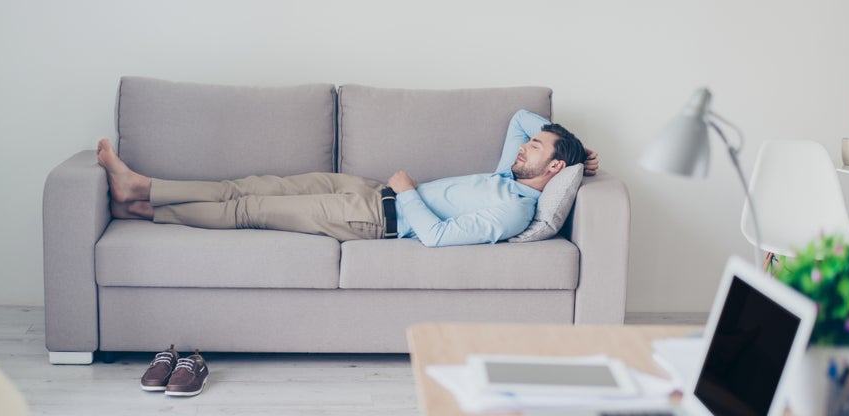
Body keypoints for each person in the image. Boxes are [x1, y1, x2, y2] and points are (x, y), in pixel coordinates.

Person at [99, 110, 597, 247]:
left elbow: (439, 237)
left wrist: (406, 192)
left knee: (246, 211)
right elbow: (521, 117)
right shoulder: (507, 175)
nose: (524, 146)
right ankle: (142, 186)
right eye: (530, 145)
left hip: (372, 218)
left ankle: (144, 209)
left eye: (536, 149)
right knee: (247, 185)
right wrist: (576, 153)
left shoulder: (514, 209)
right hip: (362, 189)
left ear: (550, 169)